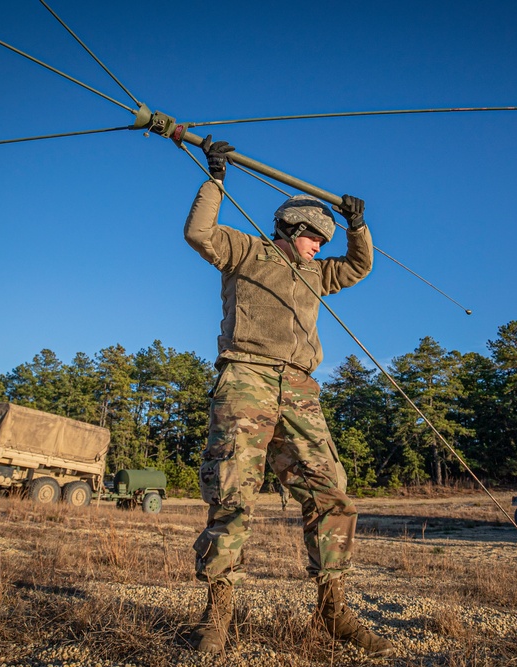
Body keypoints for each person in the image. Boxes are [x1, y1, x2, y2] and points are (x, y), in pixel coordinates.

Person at [182, 136, 394, 657]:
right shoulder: (246, 251)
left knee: (331, 492)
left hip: (300, 388)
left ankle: (334, 609)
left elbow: (361, 265)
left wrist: (357, 224)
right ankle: (218, 613)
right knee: (233, 493)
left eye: (325, 241)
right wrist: (215, 181)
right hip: (245, 379)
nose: (321, 248)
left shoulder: (320, 274)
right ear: (295, 230)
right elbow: (198, 232)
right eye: (316, 238)